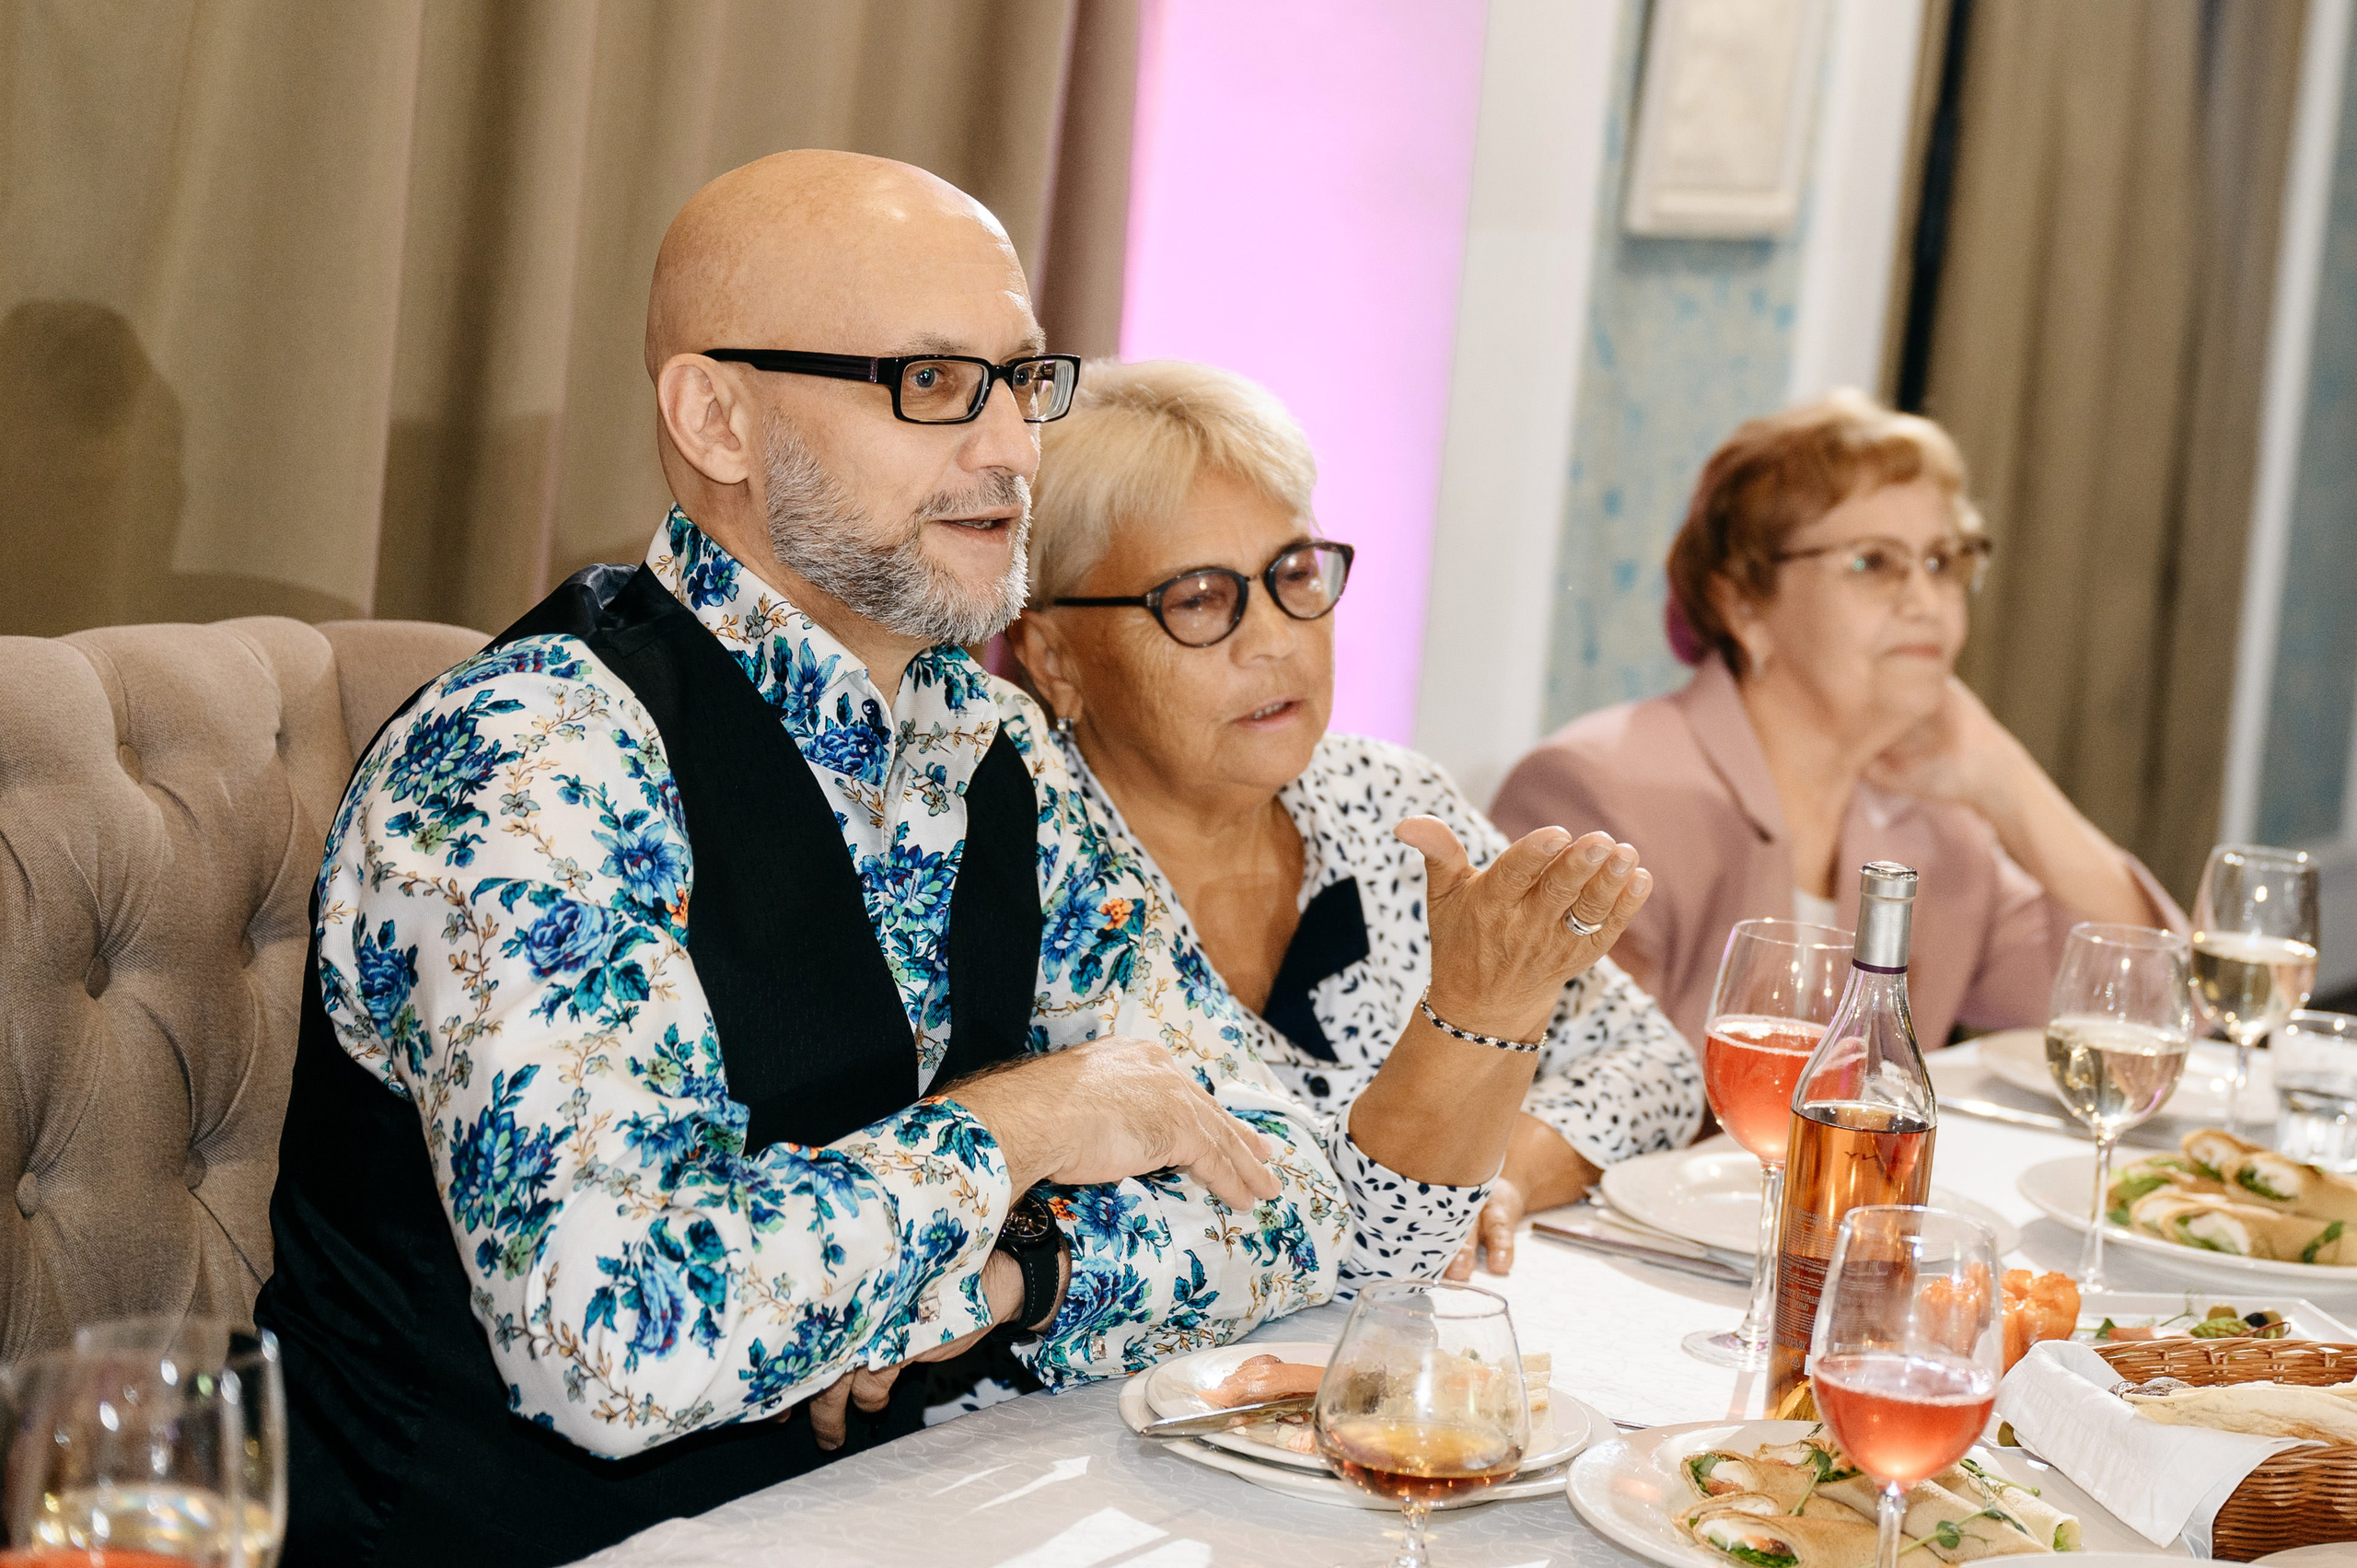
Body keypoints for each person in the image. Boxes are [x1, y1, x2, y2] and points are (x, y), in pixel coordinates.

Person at [255, 152, 1634, 1567]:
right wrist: (1026, 1123)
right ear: (718, 419)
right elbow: (622, 1344)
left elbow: (1295, 1192)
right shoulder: (530, 762)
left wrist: (1017, 1269)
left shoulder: (994, 741)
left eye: (1022, 380)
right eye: (931, 384)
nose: (1012, 449)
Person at [1006, 359, 1702, 1283]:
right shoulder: (1018, 856)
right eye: (1199, 598)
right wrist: (1451, 1125)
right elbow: (1307, 1222)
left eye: (1293, 574)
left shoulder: (1387, 801)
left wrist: (1498, 1174)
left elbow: (1653, 1065)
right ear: (1053, 656)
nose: (1275, 639)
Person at [1492, 391, 2187, 1051]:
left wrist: (2007, 780)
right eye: (1873, 562)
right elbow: (1563, 1094)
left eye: (1942, 562)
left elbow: (2139, 1011)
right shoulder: (1597, 793)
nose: (1926, 602)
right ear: (1743, 604)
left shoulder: (1939, 829)